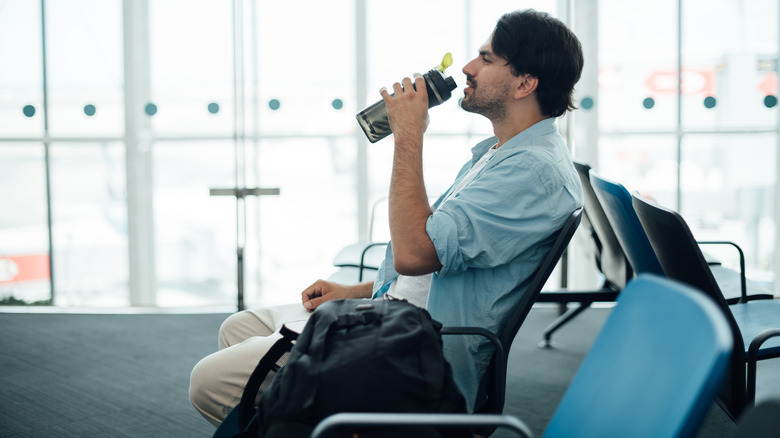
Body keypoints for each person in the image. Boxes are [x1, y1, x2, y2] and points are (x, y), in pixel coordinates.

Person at [190, 8, 584, 426]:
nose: (468, 68)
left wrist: (409, 134)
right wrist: (356, 292)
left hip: (415, 354)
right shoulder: (500, 153)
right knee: (240, 327)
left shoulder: (532, 174)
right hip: (394, 314)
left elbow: (416, 255)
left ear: (525, 82)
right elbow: (437, 263)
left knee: (209, 382)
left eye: (486, 60)